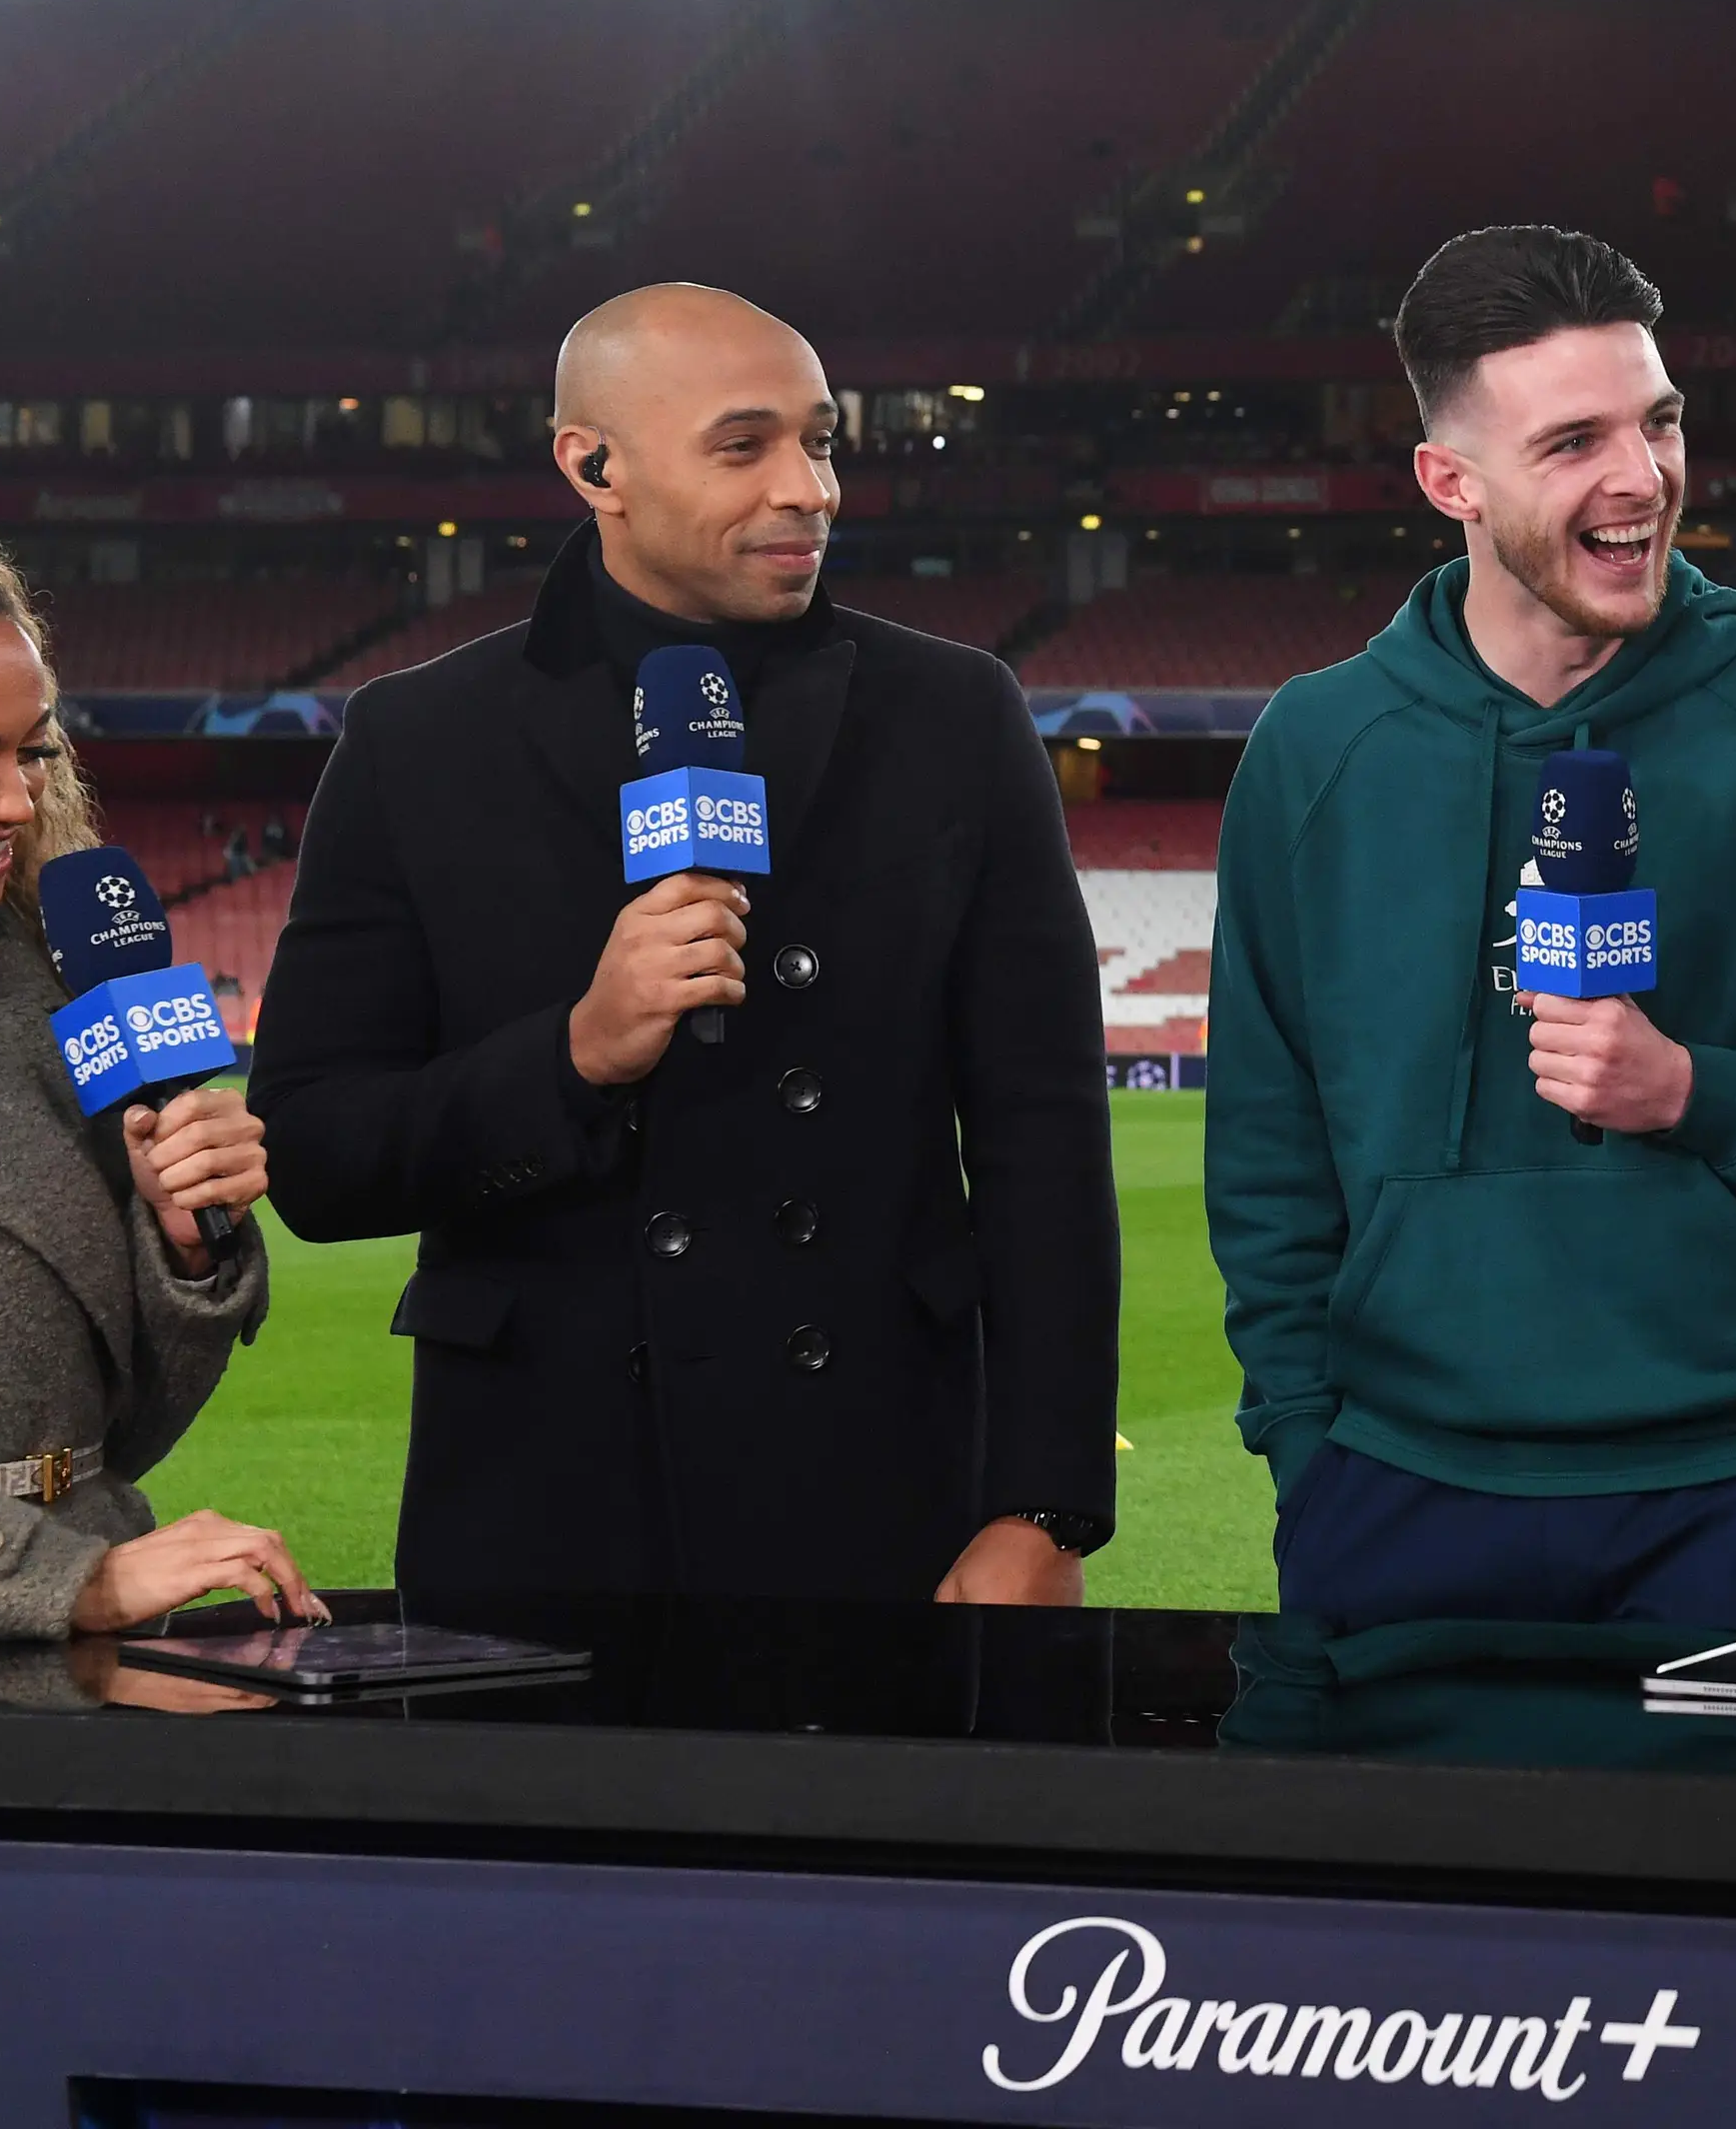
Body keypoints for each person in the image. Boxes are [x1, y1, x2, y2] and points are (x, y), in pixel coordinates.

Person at [252, 284, 1119, 1604]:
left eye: (822, 442)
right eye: (745, 446)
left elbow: (1043, 1138)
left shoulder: (953, 715)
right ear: (591, 464)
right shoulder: (416, 743)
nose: (810, 488)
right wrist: (574, 1056)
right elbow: (315, 1157)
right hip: (548, 1512)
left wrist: (1047, 1507)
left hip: (885, 1490)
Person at [1208, 226, 1736, 1634]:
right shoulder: (1317, 751)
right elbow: (1267, 1157)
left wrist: (1691, 1089)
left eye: (1661, 421)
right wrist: (1309, 1453)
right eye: (1574, 443)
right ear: (1452, 481)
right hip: (1387, 1486)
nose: (1643, 478)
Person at [0, 450, 313, 1656]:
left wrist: (182, 1239)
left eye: (32, 752)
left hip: (71, 1660)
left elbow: (104, 1440)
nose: (19, 804)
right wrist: (58, 1578)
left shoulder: (51, 989)